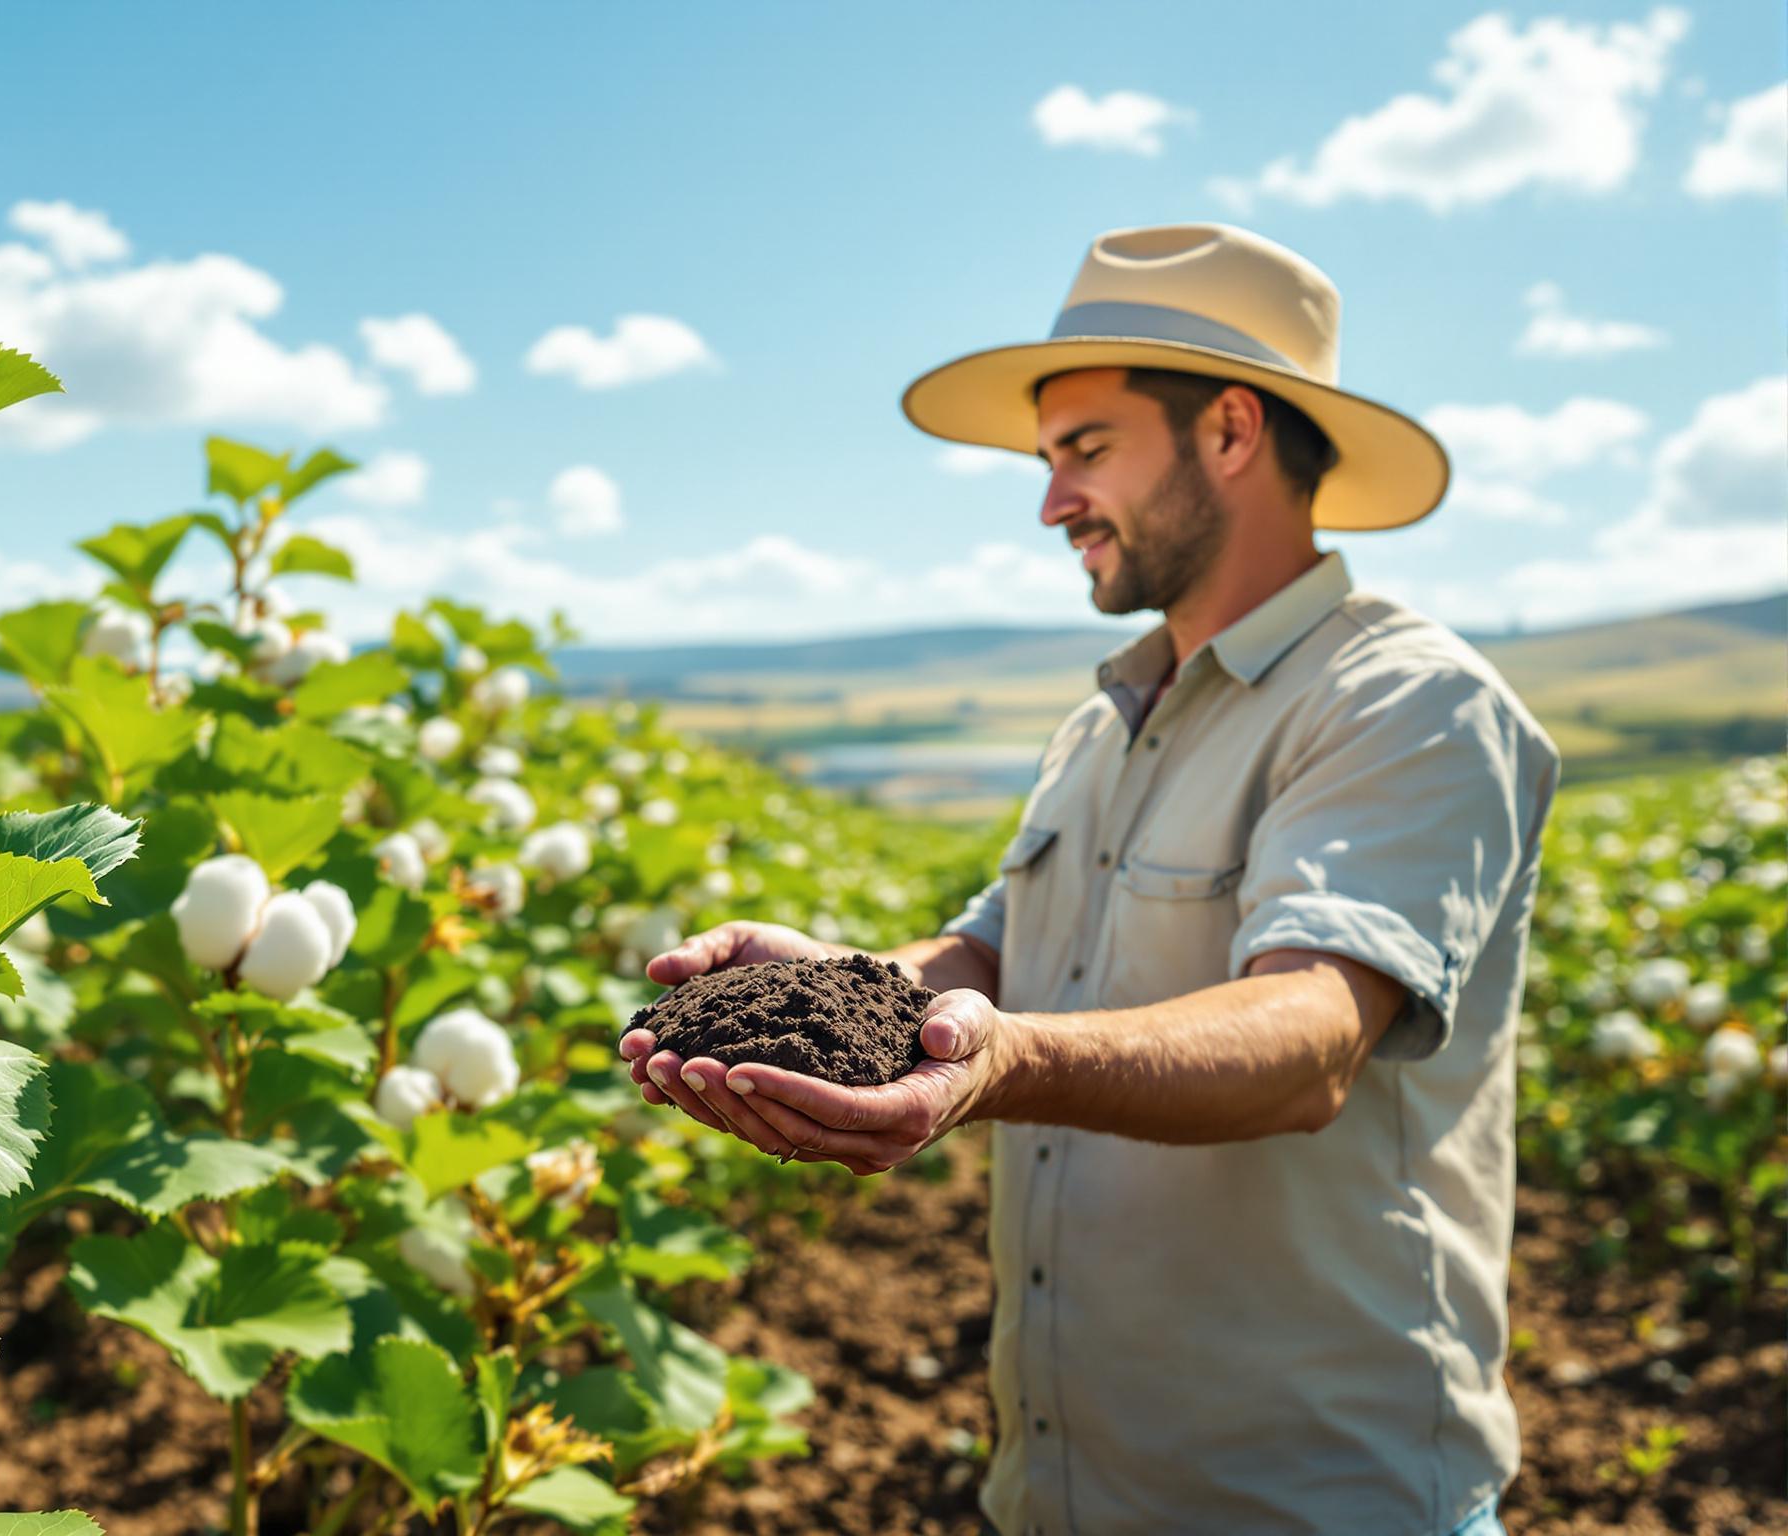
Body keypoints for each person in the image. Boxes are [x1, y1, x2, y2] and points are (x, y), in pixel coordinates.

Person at [620, 223, 1557, 1536]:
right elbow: (994, 959)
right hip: (1071, 1489)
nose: (1051, 500)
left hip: (1312, 1501)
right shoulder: (1103, 722)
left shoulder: (1407, 704)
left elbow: (1308, 1040)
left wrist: (998, 1066)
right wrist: (844, 994)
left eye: (1086, 450)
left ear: (1232, 432)